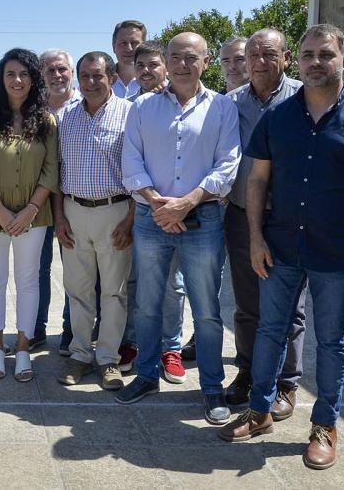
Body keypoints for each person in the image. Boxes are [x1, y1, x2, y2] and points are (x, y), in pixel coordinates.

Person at [219, 24, 344, 471]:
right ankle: (260, 411)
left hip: (339, 253)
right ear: (295, 62)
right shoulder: (277, 118)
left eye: (325, 54)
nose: (315, 61)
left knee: (333, 342)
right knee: (269, 331)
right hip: (280, 247)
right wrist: (257, 237)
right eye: (307, 55)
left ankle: (325, 426)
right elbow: (258, 180)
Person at [116, 32, 239, 426]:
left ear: (205, 62)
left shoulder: (222, 108)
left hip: (202, 220)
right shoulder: (142, 108)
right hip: (152, 221)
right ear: (165, 61)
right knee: (148, 304)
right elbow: (130, 161)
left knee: (206, 310)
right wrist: (157, 204)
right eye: (175, 57)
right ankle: (148, 375)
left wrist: (186, 202)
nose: (182, 64)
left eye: (191, 57)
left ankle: (212, 388)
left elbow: (228, 165)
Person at [51, 52, 133, 391]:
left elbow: (141, 171)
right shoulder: (65, 117)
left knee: (114, 292)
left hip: (115, 211)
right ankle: (80, 355)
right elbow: (57, 172)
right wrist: (59, 218)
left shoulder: (130, 115)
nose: (90, 82)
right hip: (73, 212)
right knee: (78, 290)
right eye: (84, 76)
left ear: (112, 77)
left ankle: (109, 360)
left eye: (97, 75)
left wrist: (131, 218)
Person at [0, 48, 58, 383]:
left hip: (34, 217)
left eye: (24, 74)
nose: (17, 80)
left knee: (27, 281)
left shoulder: (47, 121)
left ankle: (23, 348)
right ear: (1, 78)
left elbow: (52, 170)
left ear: (33, 79)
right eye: (10, 74)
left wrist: (29, 210)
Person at [121, 41, 190, 380]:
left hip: (181, 211)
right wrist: (152, 203)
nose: (146, 72)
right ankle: (134, 341)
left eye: (153, 65)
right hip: (144, 209)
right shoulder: (129, 107)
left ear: (165, 66)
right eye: (141, 66)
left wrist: (174, 206)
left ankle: (171, 348)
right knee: (138, 281)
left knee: (173, 285)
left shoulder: (188, 102)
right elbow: (130, 161)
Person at [36, 49, 81, 354]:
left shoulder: (86, 104)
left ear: (72, 72)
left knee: (74, 271)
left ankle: (70, 329)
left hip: (73, 202)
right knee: (36, 269)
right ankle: (35, 328)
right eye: (50, 70)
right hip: (38, 202)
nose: (57, 75)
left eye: (62, 69)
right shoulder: (33, 109)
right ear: (41, 75)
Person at [111, 20, 146, 99]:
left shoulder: (155, 82)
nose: (128, 49)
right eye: (123, 43)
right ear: (113, 47)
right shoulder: (101, 82)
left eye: (134, 43)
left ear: (144, 47)